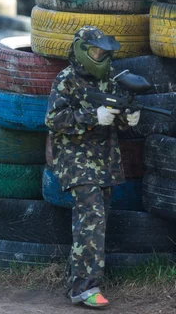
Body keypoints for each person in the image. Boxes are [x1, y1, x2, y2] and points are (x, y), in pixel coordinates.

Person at [45, 26, 140, 309]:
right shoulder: (66, 79)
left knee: (96, 220)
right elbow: (53, 119)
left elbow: (117, 117)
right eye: (97, 52)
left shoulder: (109, 79)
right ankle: (86, 288)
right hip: (75, 161)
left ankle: (76, 281)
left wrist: (128, 118)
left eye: (104, 53)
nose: (102, 57)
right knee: (92, 217)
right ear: (82, 51)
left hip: (104, 162)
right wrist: (91, 116)